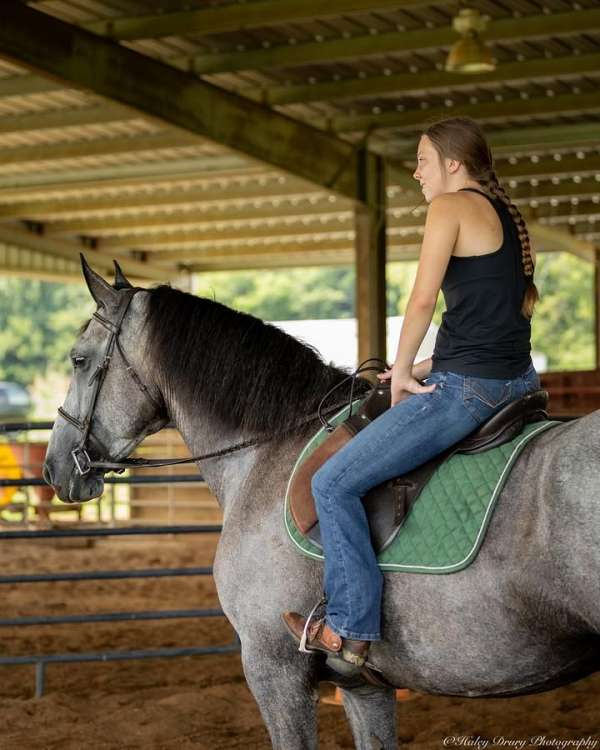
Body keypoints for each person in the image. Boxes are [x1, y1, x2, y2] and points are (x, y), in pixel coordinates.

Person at [282, 115, 542, 674]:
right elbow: (487, 323)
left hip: (467, 392)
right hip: (516, 381)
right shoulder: (506, 215)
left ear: (453, 163)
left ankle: (349, 628)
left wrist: (400, 372)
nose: (417, 172)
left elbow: (423, 301)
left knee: (331, 483)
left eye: (423, 160)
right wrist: (418, 365)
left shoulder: (449, 207)